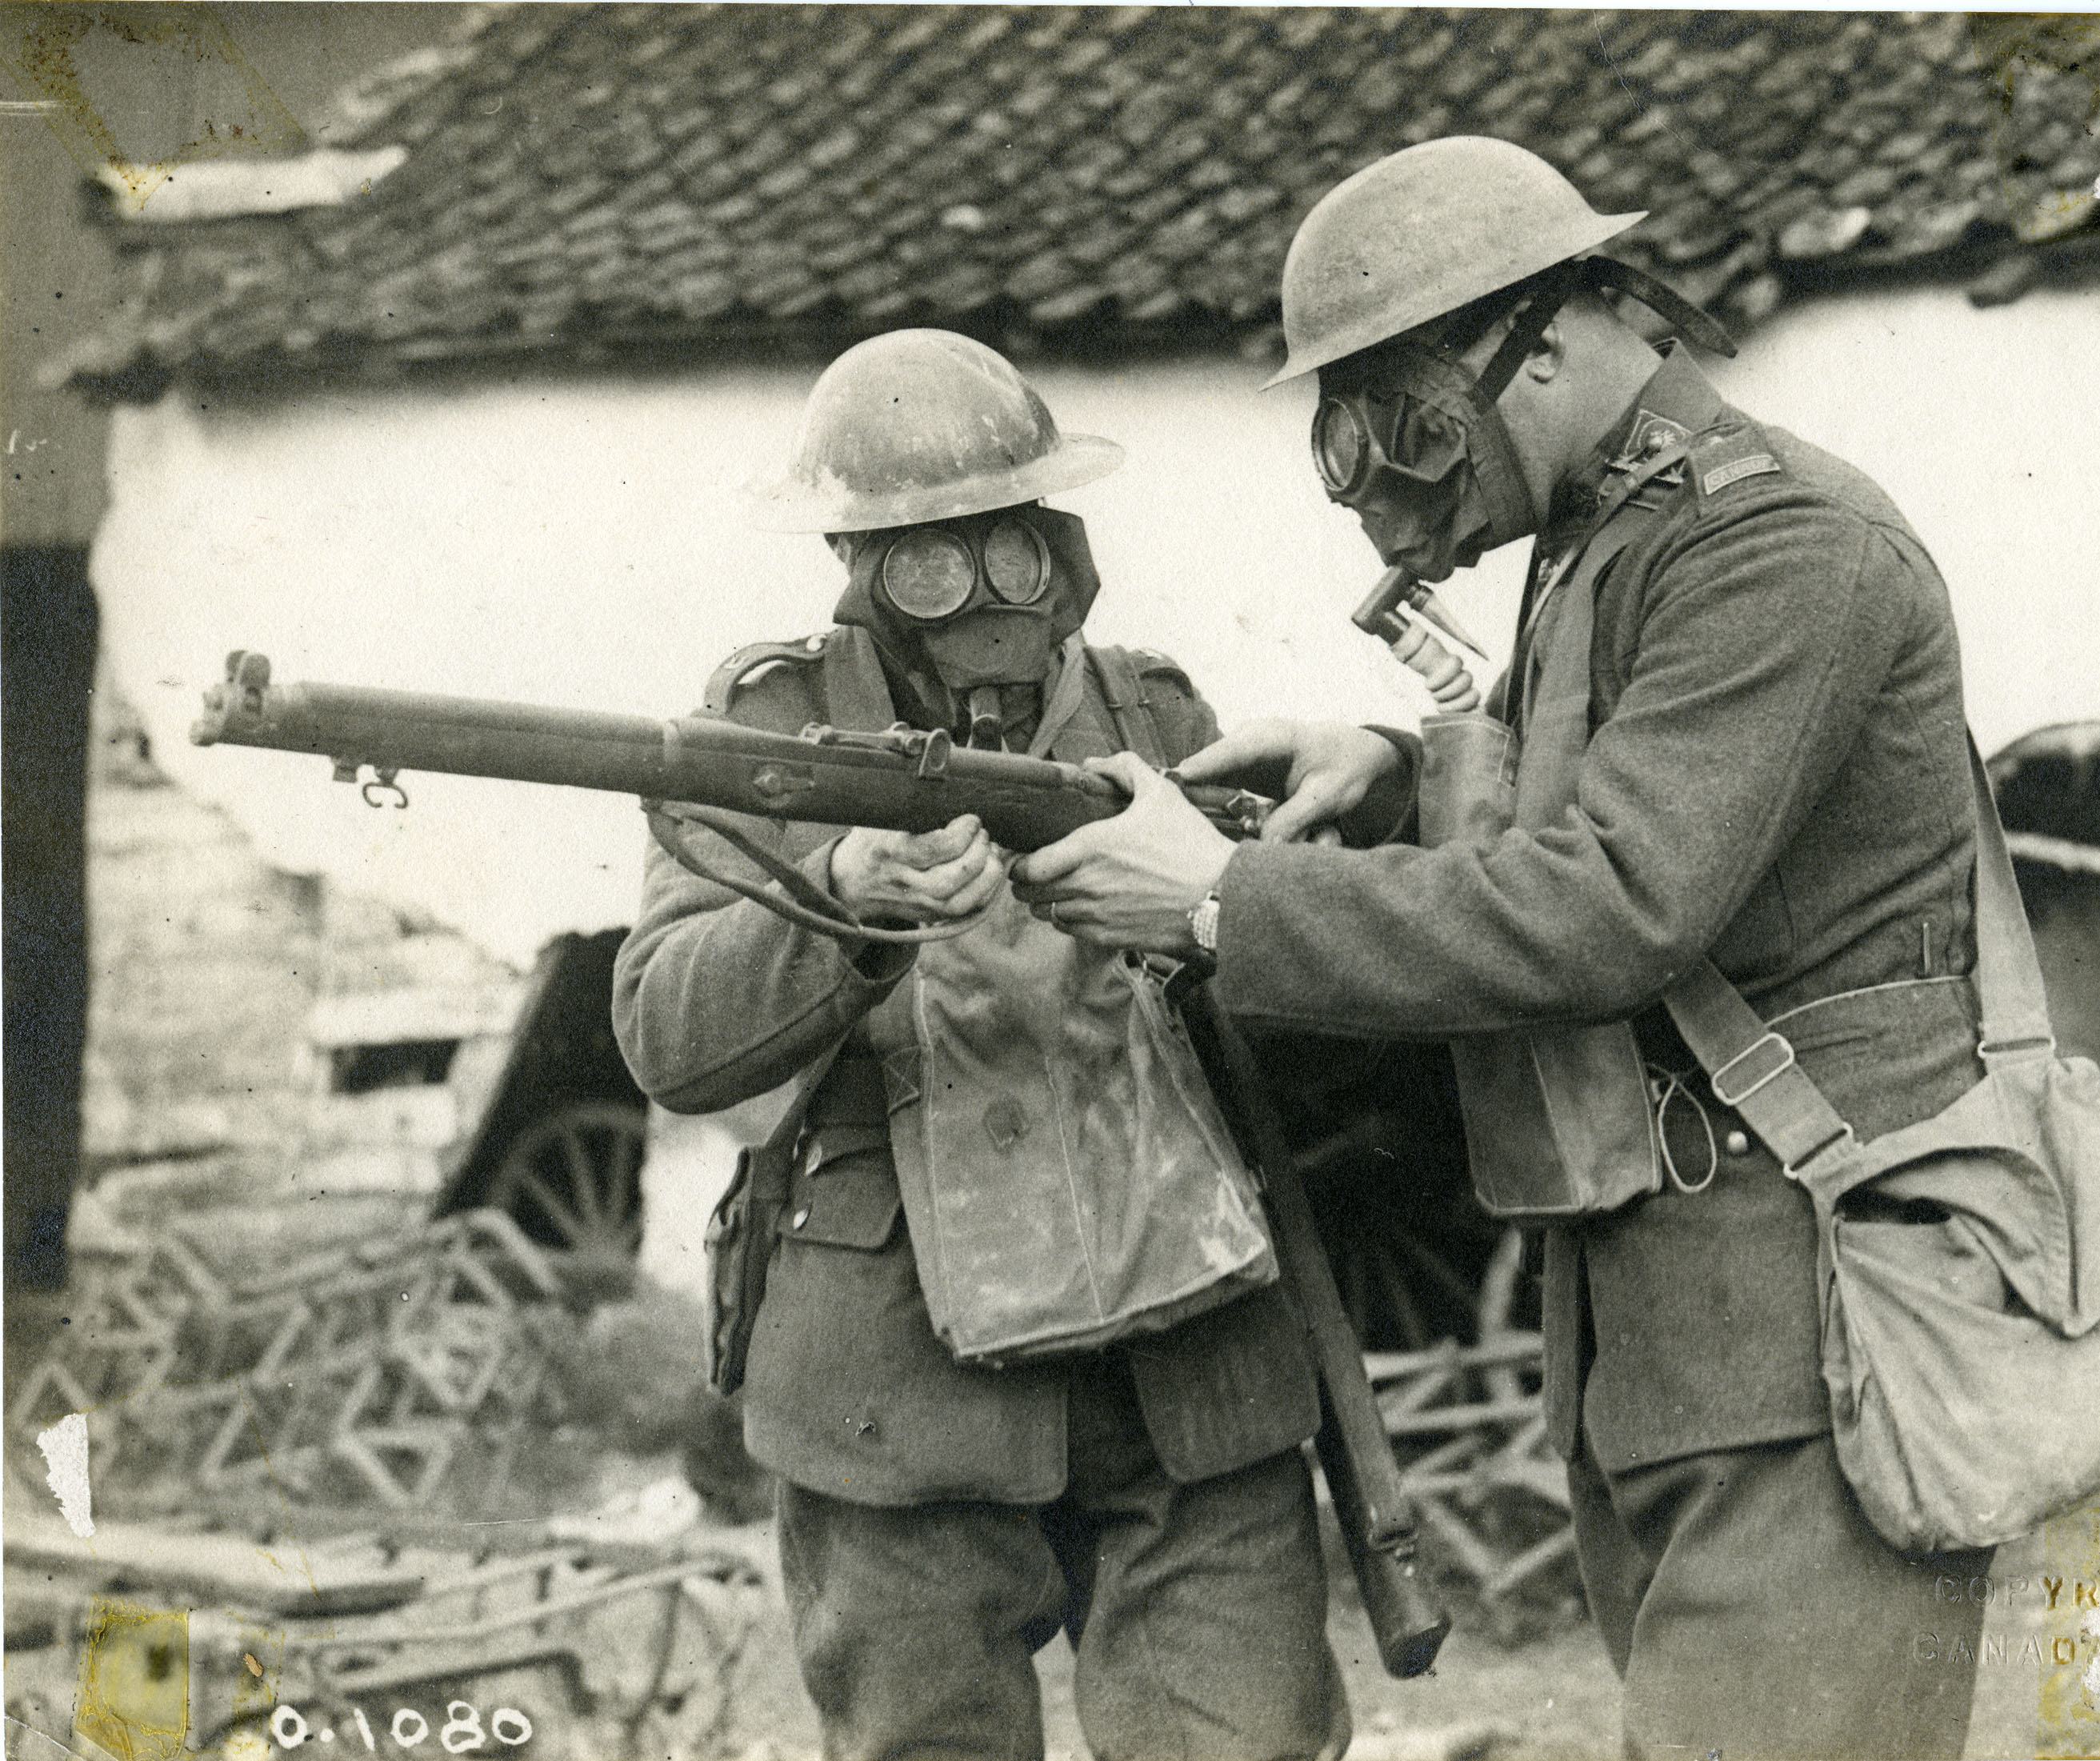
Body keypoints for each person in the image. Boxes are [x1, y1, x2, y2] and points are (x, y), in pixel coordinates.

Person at [1012, 137, 1998, 1759]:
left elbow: (1616, 900)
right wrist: (1393, 770)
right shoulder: (1611, 542)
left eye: (1399, 408)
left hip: (1814, 1334)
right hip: (1681, 1332)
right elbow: (1612, 795)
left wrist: (1215, 904)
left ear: (1542, 334)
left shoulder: (1775, 545)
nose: (1380, 470)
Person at [612, 329, 1346, 1761]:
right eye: (921, 558)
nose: (977, 595)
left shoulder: (1156, 712)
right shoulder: (765, 733)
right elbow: (667, 1035)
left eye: (1008, 546)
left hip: (1188, 1375)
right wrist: (835, 903)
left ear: (1061, 541)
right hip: (901, 1405)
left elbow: (1294, 1007)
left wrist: (1202, 908)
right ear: (854, 561)